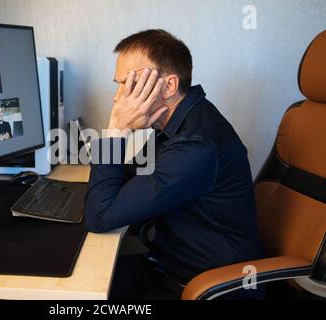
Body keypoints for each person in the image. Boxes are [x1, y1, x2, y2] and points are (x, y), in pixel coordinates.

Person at [84, 30, 265, 300]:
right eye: (118, 84)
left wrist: (118, 129)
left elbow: (99, 216)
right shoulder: (174, 126)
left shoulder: (196, 145)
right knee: (83, 281)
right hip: (168, 269)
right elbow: (129, 179)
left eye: (128, 83)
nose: (117, 98)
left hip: (203, 288)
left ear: (168, 86)